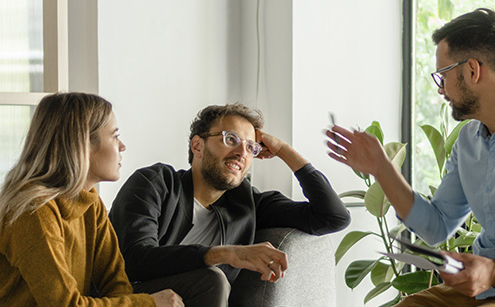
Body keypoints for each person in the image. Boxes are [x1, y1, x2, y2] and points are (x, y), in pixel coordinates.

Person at [326, 8, 495, 307]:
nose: (441, 90)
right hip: (482, 290)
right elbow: (437, 225)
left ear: (472, 70)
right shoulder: (468, 142)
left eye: (442, 76)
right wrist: (381, 168)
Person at [108, 103, 351, 307]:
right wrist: (226, 254)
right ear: (198, 146)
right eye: (230, 139)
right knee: (212, 279)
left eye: (250, 147)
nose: (241, 152)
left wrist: (284, 151)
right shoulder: (155, 182)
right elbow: (133, 260)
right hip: (130, 297)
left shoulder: (246, 204)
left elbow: (332, 217)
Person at [0, 93, 184, 307]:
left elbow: (116, 285)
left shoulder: (90, 203)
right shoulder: (34, 210)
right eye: (115, 136)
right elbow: (64, 305)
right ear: (82, 144)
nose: (122, 146)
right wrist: (149, 303)